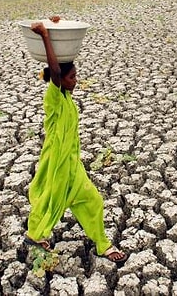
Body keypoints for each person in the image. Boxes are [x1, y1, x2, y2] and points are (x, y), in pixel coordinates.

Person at [24, 16, 127, 263]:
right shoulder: (55, 96)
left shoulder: (68, 98)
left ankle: (102, 244)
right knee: (51, 199)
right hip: (58, 162)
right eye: (72, 78)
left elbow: (60, 70)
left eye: (76, 76)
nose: (75, 81)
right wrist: (46, 37)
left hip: (72, 163)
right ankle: (36, 234)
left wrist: (54, 26)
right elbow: (56, 71)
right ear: (58, 80)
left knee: (92, 200)